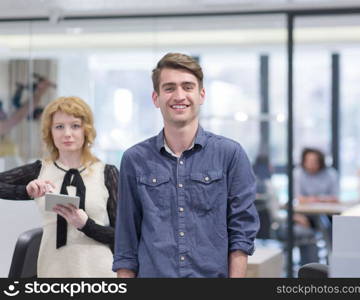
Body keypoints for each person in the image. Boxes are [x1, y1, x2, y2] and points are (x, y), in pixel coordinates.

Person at [113, 53, 260, 278]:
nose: (179, 96)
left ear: (201, 95)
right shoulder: (134, 159)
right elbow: (126, 241)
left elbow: (241, 234)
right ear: (156, 98)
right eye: (169, 88)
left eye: (188, 87)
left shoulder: (230, 154)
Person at [0, 96, 118, 277]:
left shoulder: (106, 173)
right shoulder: (39, 170)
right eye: (59, 126)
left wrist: (86, 225)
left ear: (86, 130)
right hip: (52, 273)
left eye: (75, 126)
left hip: (100, 274)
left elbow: (122, 237)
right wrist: (26, 191)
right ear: (50, 132)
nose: (67, 133)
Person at [294, 148, 339, 266]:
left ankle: (333, 263)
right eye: (308, 161)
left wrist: (314, 199)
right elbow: (299, 198)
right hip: (305, 217)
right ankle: (311, 268)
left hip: (328, 216)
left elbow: (335, 198)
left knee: (332, 227)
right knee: (309, 230)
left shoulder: (331, 174)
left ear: (321, 162)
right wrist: (322, 199)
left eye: (314, 161)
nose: (311, 164)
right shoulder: (298, 173)